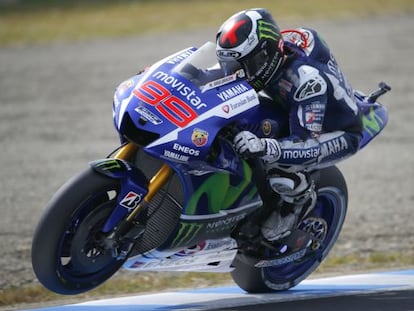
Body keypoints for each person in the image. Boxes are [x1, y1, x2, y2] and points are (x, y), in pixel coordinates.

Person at [215, 8, 363, 241]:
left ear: (266, 55)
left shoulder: (306, 82)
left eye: (244, 66)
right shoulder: (272, 50)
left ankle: (298, 203)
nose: (236, 74)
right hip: (292, 107)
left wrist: (266, 147)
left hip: (336, 131)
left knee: (280, 170)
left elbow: (307, 144)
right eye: (231, 66)